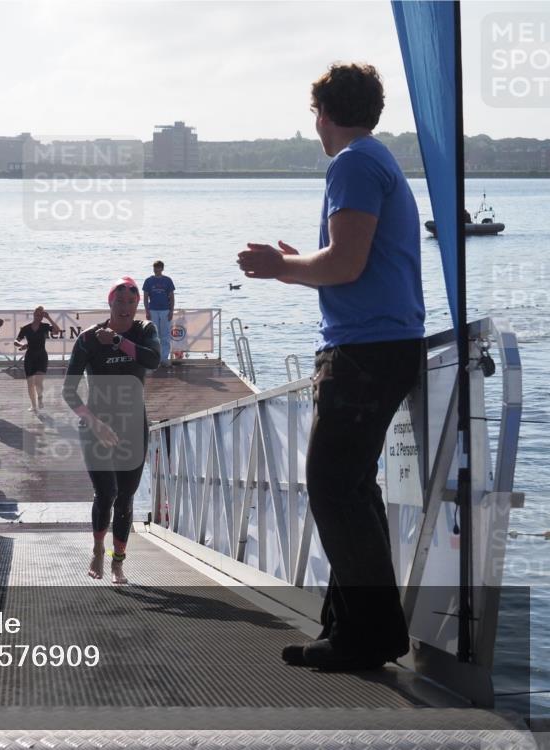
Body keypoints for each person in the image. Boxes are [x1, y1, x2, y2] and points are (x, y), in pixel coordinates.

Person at [237, 63, 424, 671]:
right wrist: (300, 263)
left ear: (325, 112)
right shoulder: (376, 159)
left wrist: (279, 268)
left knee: (333, 486)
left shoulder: (352, 163)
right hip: (382, 345)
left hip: (365, 352)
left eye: (314, 113)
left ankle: (369, 635)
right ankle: (350, 628)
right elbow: (351, 263)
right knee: (350, 489)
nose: (314, 125)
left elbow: (344, 264)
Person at [63, 277, 161, 584]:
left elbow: (154, 359)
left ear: (138, 305)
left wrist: (118, 342)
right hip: (96, 425)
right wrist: (94, 422)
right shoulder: (89, 339)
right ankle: (97, 549)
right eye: (120, 302)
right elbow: (69, 390)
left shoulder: (145, 331)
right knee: (106, 493)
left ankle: (118, 561)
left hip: (133, 426)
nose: (126, 309)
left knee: (126, 499)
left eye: (132, 303)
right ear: (110, 303)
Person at [14, 306, 62, 412]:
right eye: (37, 314)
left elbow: (57, 331)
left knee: (38, 382)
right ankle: (33, 405)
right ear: (34, 314)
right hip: (30, 357)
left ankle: (40, 400)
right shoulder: (26, 328)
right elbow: (15, 341)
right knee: (30, 383)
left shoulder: (45, 326)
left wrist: (49, 318)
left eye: (41, 315)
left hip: (41, 356)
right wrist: (22, 345)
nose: (38, 317)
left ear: (42, 317)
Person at [142, 261, 175, 366]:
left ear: (162, 268)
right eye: (154, 267)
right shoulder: (148, 281)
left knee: (165, 335)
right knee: (154, 335)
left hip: (165, 310)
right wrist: (147, 310)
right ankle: (154, 358)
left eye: (158, 268)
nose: (156, 269)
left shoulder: (167, 280)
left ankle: (164, 359)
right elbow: (146, 297)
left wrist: (171, 311)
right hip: (153, 310)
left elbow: (172, 296)